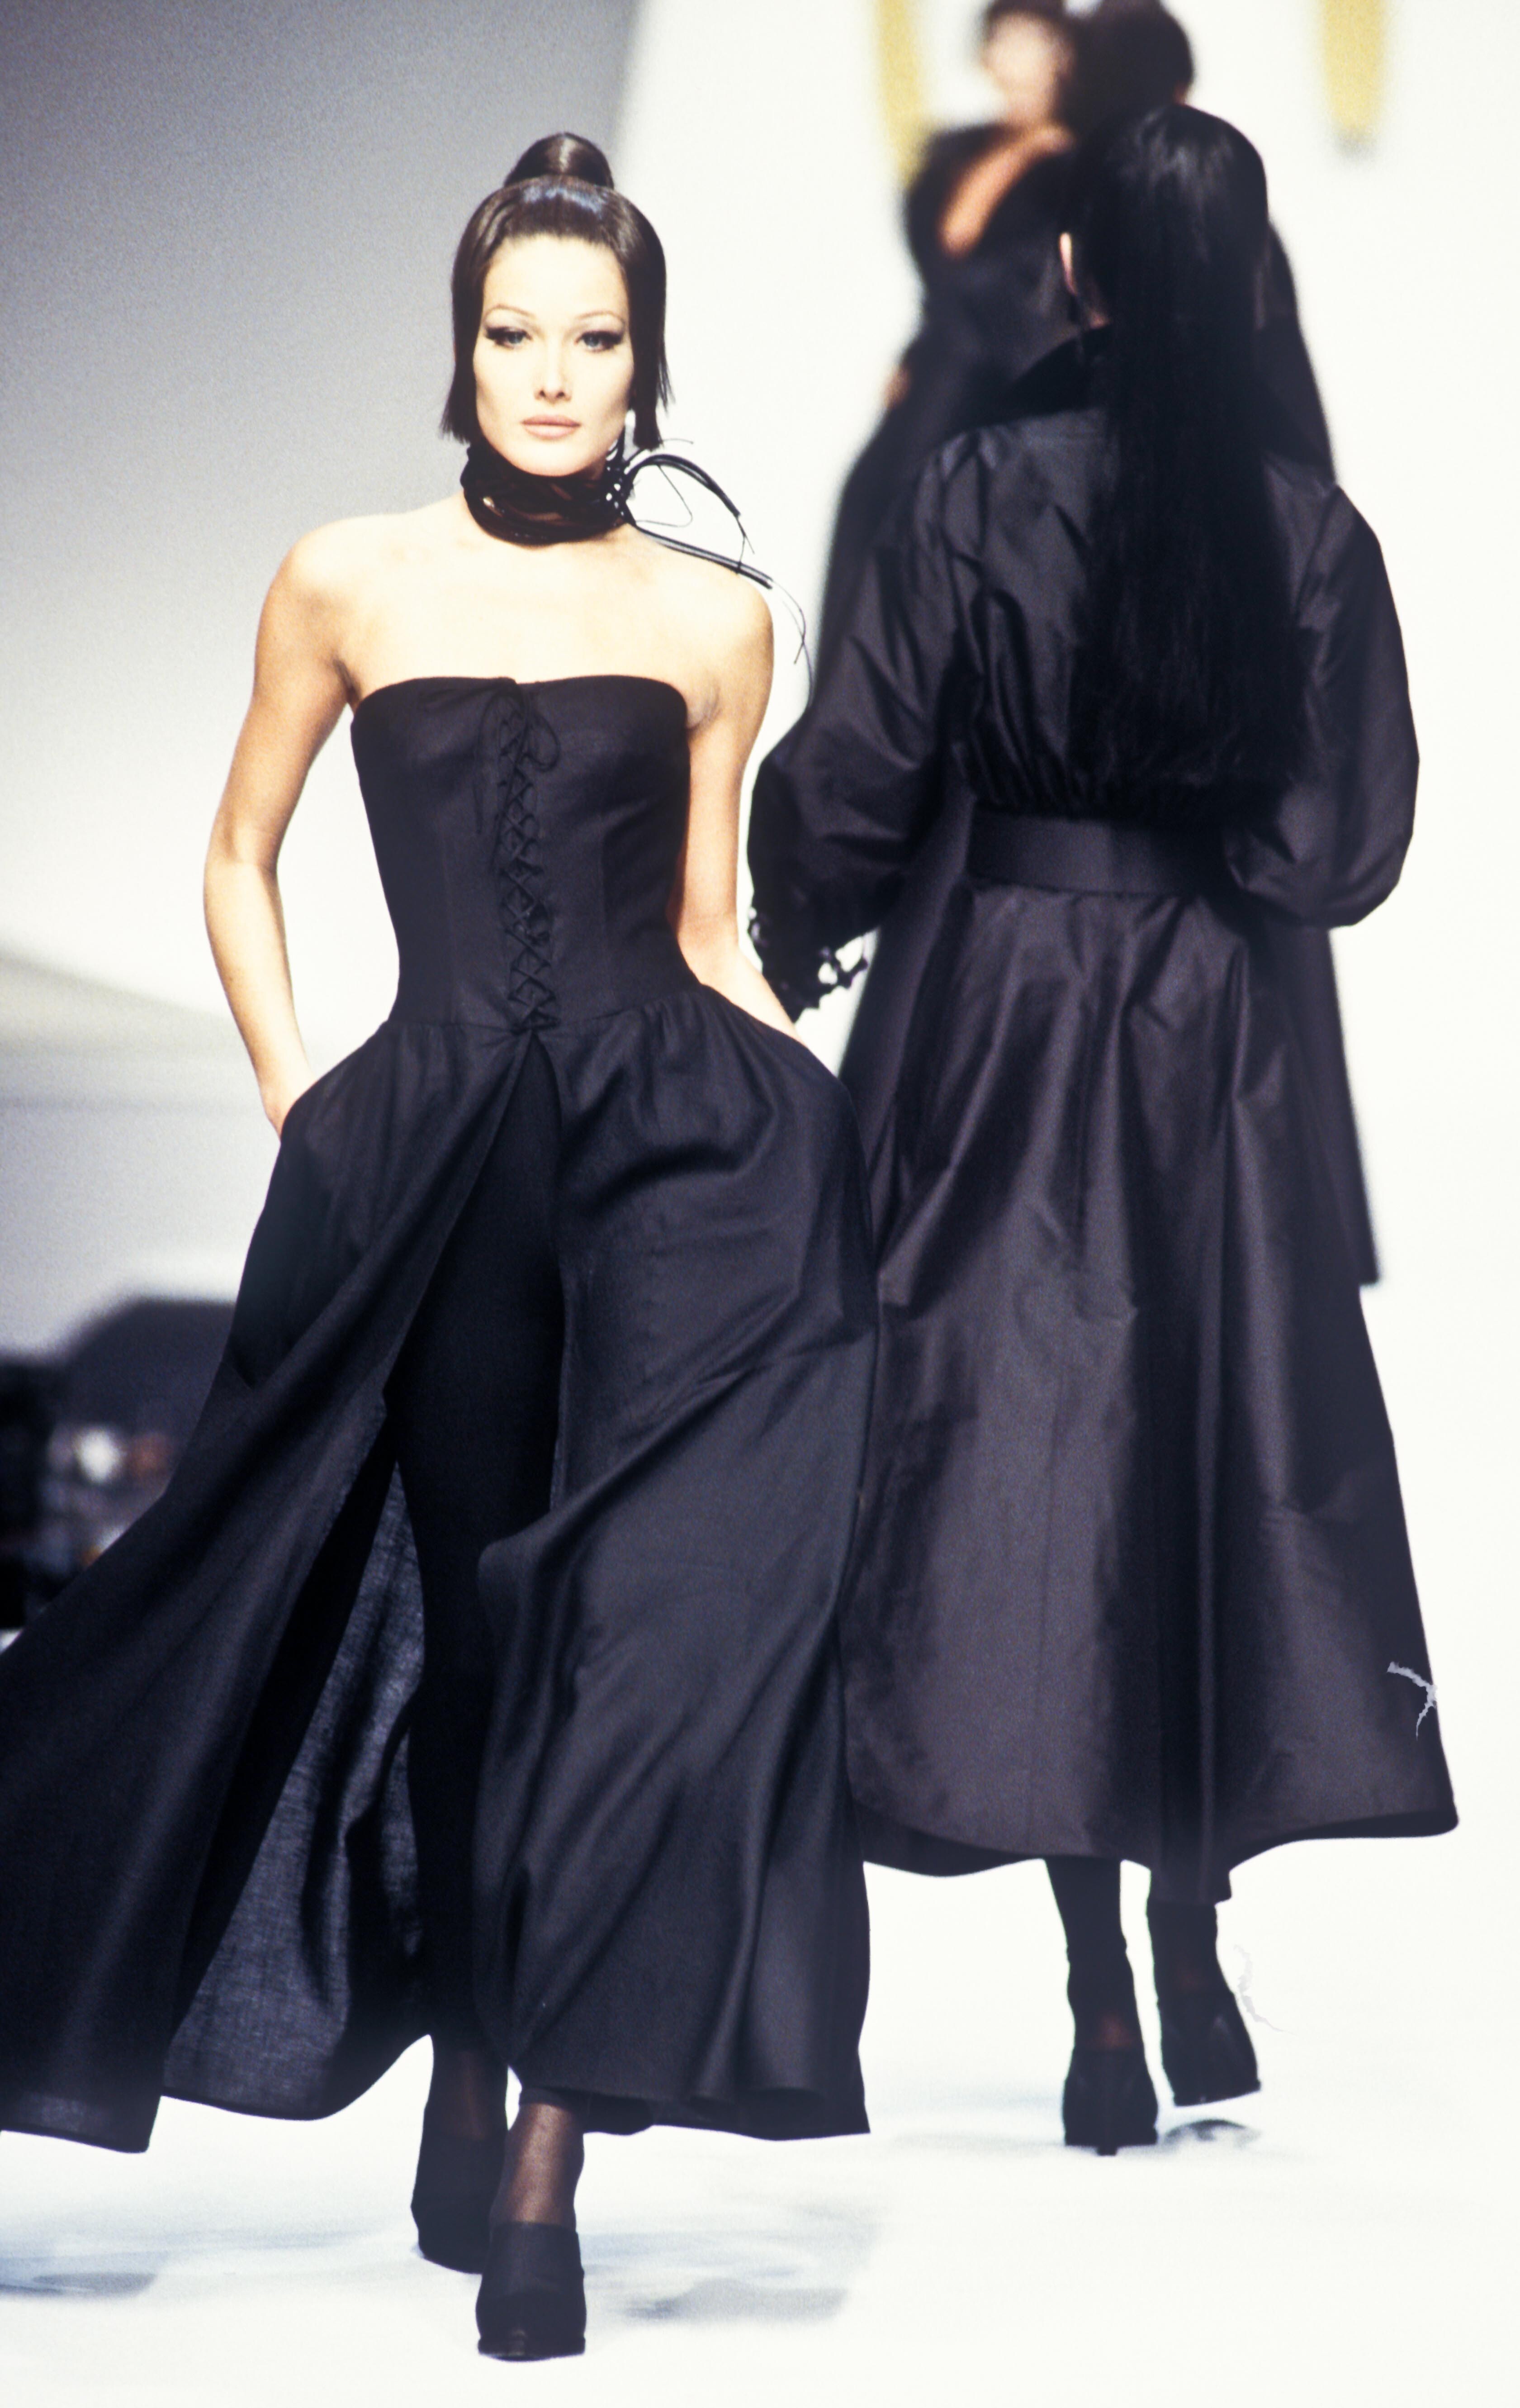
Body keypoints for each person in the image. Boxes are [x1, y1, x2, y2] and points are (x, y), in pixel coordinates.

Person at [0, 135, 878, 2361]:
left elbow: (705, 928)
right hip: (437, 1174)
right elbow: (236, 854)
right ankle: (472, 2053)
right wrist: (304, 1095)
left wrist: (811, 1136)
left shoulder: (712, 617)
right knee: (484, 1649)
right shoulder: (347, 577)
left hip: (670, 1168)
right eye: (514, 333)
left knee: (624, 1647)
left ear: (642, 359)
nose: (552, 375)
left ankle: (545, 2157)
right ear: (463, 349)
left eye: (593, 337)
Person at [749, 105, 1456, 2158]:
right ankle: (1190, 1935)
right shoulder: (1308, 534)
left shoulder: (974, 490)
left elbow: (863, 765)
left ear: (1073, 275)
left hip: (1001, 1012)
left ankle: (1097, 2001)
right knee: (1202, 1452)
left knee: (1037, 1464)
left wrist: (797, 916)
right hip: (1209, 1024)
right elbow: (1341, 848)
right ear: (1249, 288)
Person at [837, 0, 1379, 1309]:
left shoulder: (1066, 237)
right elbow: (1291, 441)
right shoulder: (1099, 213)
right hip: (1116, 666)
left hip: (1038, 639)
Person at [815, 0, 1076, 678]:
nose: (1011, 56)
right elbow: (945, 266)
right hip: (938, 361)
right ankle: (843, 697)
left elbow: (1025, 291)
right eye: (1001, 41)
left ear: (1062, 53)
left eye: (1028, 40)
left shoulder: (1074, 169)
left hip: (1001, 376)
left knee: (931, 524)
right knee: (868, 501)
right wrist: (915, 354)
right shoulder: (959, 150)